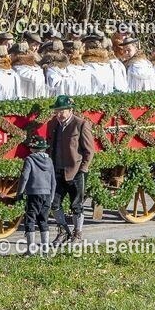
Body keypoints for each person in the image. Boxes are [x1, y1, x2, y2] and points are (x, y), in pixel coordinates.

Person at [46, 95, 95, 246]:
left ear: (70, 110)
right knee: (54, 203)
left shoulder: (81, 124)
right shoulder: (54, 124)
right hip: (57, 170)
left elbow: (89, 150)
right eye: (57, 111)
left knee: (76, 205)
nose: (59, 114)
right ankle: (63, 231)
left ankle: (77, 233)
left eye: (62, 111)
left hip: (75, 171)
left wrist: (83, 169)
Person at [16, 134, 56, 256]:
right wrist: (52, 196)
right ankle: (45, 250)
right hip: (47, 194)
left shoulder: (29, 159)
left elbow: (24, 177)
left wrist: (20, 192)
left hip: (33, 194)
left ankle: (31, 250)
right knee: (43, 221)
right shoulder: (49, 161)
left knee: (30, 220)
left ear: (33, 149)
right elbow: (53, 181)